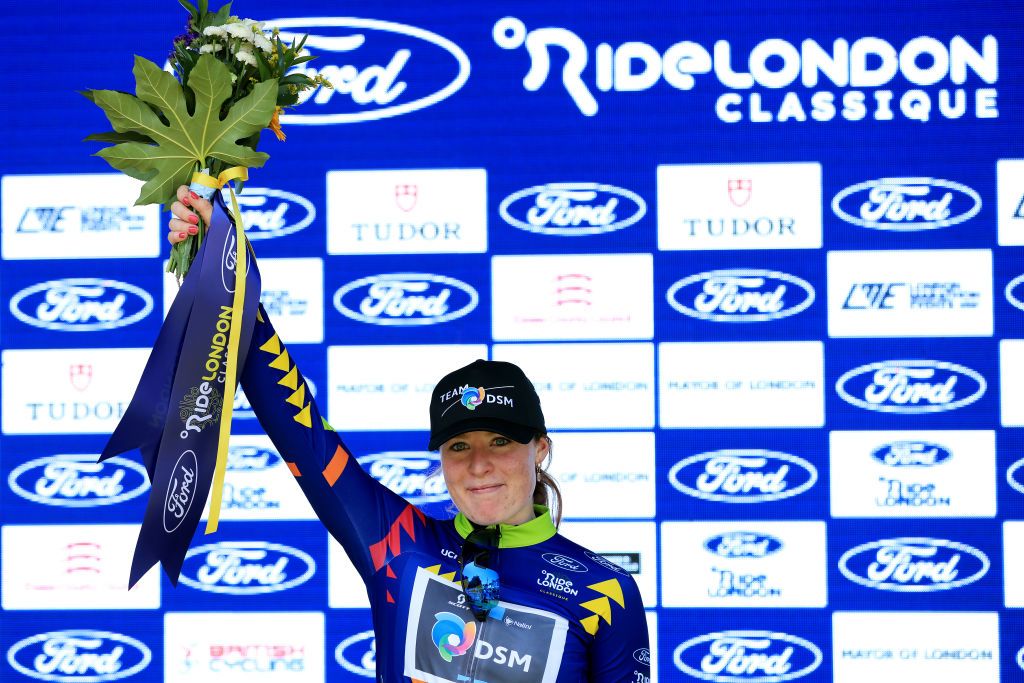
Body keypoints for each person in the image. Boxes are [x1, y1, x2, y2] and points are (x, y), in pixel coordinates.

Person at [168, 186, 652, 682]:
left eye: (501, 441)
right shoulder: (399, 544)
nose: (479, 464)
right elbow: (300, 432)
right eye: (459, 446)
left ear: (541, 448)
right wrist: (225, 278)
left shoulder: (604, 592)